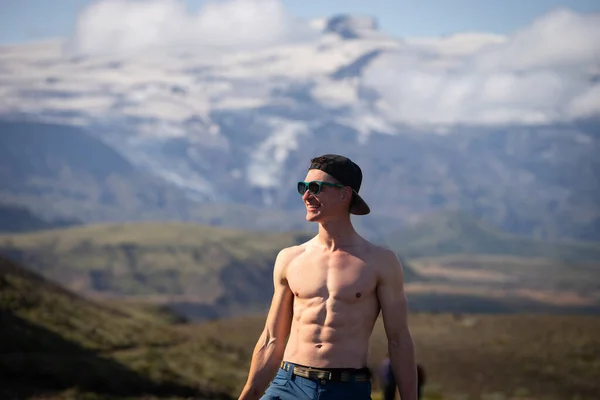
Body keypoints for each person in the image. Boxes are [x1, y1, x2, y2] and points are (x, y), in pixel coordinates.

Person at [238, 154, 418, 400]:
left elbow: (399, 340)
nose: (306, 196)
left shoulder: (381, 262)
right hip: (288, 384)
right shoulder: (290, 258)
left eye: (315, 188)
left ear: (345, 195)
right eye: (303, 187)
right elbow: (271, 339)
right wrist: (248, 395)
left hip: (347, 389)